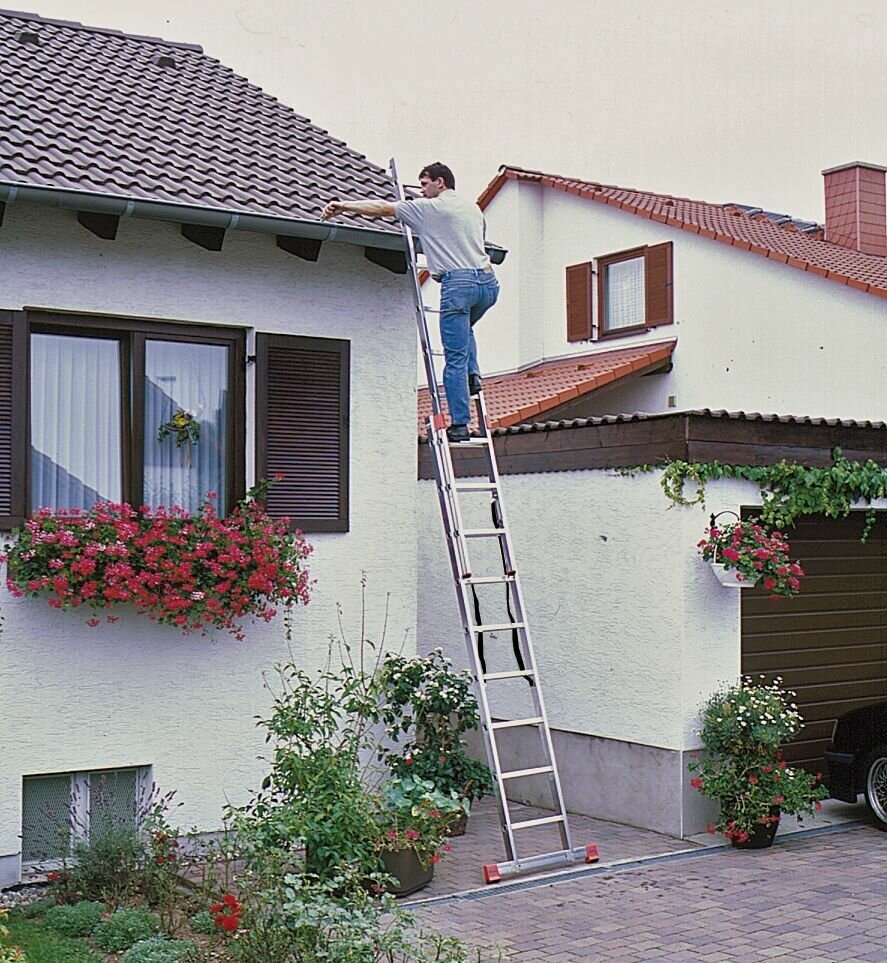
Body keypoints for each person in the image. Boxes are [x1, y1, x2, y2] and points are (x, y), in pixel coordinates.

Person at [321, 162, 499, 442]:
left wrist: (342, 206)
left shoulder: (429, 209)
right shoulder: (473, 208)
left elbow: (382, 208)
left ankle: (461, 424)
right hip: (488, 285)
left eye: (425, 184)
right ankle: (473, 376)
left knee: (453, 357)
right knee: (465, 330)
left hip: (458, 285)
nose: (422, 190)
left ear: (440, 183)